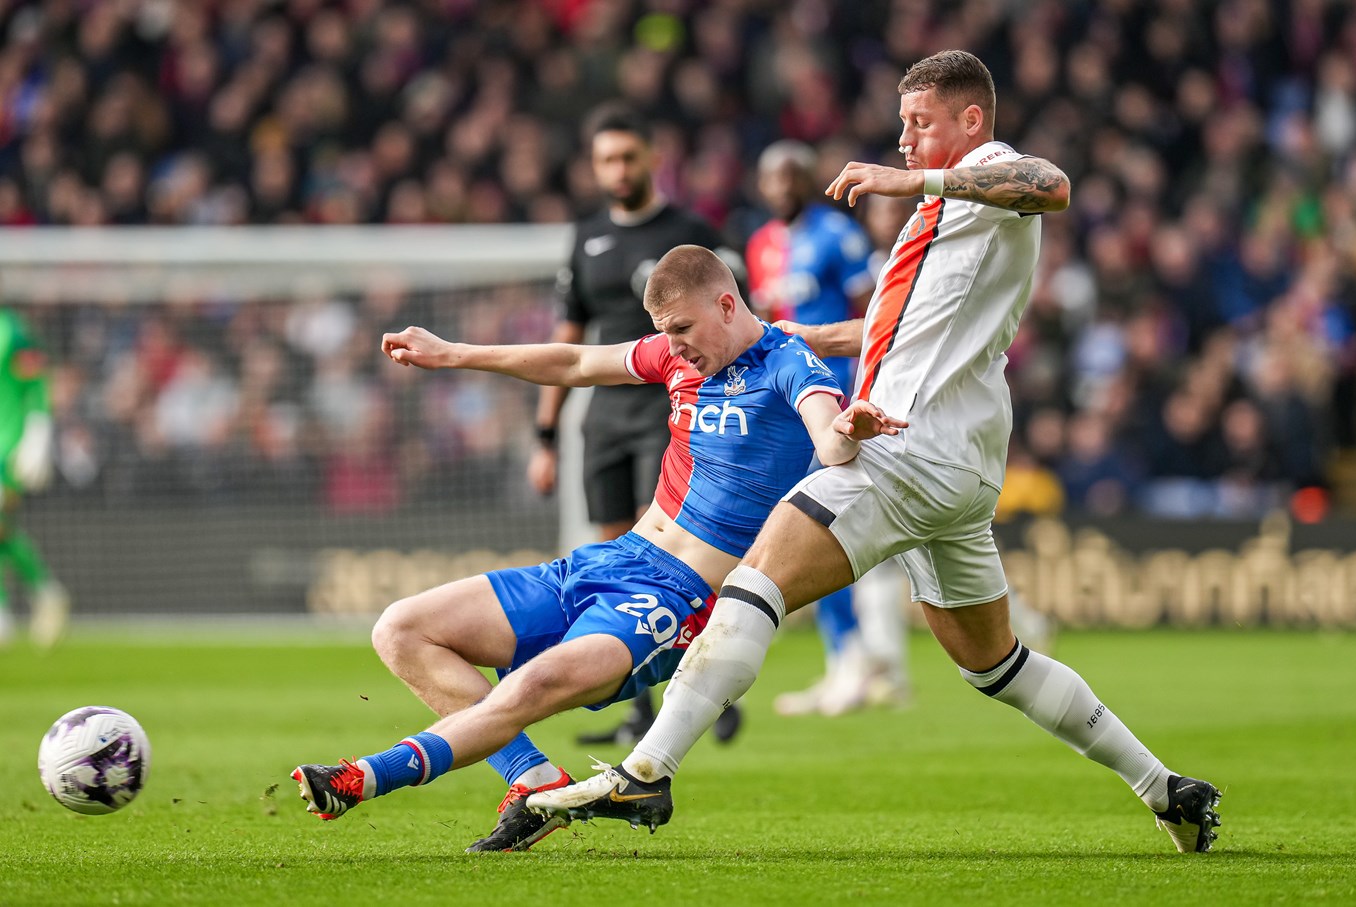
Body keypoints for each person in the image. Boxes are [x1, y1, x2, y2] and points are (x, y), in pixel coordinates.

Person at [529, 50, 1223, 854]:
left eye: (919, 124)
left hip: (906, 446)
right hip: (956, 464)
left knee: (755, 581)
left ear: (969, 121)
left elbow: (1053, 186)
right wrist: (797, 335)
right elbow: (901, 326)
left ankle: (647, 768)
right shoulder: (942, 219)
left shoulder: (989, 174)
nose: (903, 141)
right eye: (900, 126)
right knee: (993, 662)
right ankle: (1165, 787)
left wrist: (914, 182)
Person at [291, 245, 906, 853]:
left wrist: (849, 430)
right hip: (613, 559)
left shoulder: (788, 361)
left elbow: (828, 438)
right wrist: (454, 354)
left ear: (726, 305)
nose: (676, 344)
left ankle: (362, 778)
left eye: (684, 328)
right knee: (401, 629)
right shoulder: (676, 357)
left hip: (678, 598)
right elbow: (576, 362)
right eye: (665, 333)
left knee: (529, 689)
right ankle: (534, 782)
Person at [532, 102, 747, 747]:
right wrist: (546, 436)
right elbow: (568, 338)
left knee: (674, 562)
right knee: (616, 557)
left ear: (654, 157)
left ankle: (706, 683)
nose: (617, 169)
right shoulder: (586, 233)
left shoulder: (688, 233)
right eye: (606, 159)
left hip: (672, 410)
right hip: (604, 418)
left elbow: (731, 322)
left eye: (628, 156)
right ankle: (641, 708)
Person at [746, 139, 900, 716]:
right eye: (773, 178)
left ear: (807, 180)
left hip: (837, 401)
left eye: (792, 176)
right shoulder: (761, 244)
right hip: (785, 404)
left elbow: (873, 319)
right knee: (813, 527)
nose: (782, 186)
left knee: (826, 528)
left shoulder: (839, 235)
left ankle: (860, 662)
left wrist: (867, 390)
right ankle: (850, 663)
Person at [0, 306, 68, 649]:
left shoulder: (12, 330)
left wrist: (38, 432)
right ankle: (43, 592)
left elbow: (36, 380)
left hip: (6, 446)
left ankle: (36, 594)